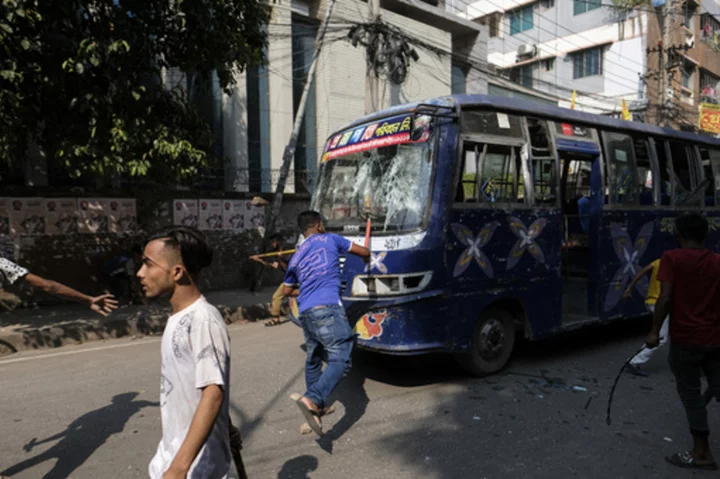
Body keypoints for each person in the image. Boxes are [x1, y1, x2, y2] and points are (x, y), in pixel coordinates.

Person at [138, 226, 244, 478]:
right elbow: (201, 382)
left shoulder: (203, 320)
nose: (140, 273)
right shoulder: (179, 317)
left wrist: (178, 468)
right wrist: (225, 426)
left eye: (148, 264)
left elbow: (213, 393)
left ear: (176, 271)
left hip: (196, 469)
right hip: (172, 456)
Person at [282, 211, 370, 436]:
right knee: (342, 358)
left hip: (306, 312)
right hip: (328, 308)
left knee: (314, 358)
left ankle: (316, 410)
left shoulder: (297, 254)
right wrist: (367, 257)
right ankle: (312, 399)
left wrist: (310, 286)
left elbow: (287, 290)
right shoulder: (332, 239)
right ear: (319, 225)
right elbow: (363, 251)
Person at [645, 214, 720, 471]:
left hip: (686, 341)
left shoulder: (672, 258)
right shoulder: (717, 261)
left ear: (678, 234)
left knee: (691, 398)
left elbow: (665, 298)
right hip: (714, 339)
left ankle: (701, 453)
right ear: (705, 236)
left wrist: (654, 332)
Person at [0, 257, 117, 316]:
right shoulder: (2, 264)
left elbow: (49, 286)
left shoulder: (3, 264)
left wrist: (89, 300)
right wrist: (88, 299)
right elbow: (49, 286)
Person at [623, 257, 667, 377]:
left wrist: (629, 288)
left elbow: (642, 272)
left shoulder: (658, 262)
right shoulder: (675, 265)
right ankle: (634, 361)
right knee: (661, 337)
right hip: (661, 303)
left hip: (650, 301)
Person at [250, 233, 291, 327]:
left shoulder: (287, 251)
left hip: (296, 278)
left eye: (273, 242)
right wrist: (259, 260)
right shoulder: (277, 252)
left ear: (278, 242)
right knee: (277, 296)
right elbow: (274, 265)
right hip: (288, 279)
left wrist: (281, 259)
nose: (272, 244)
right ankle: (276, 319)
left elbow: (287, 268)